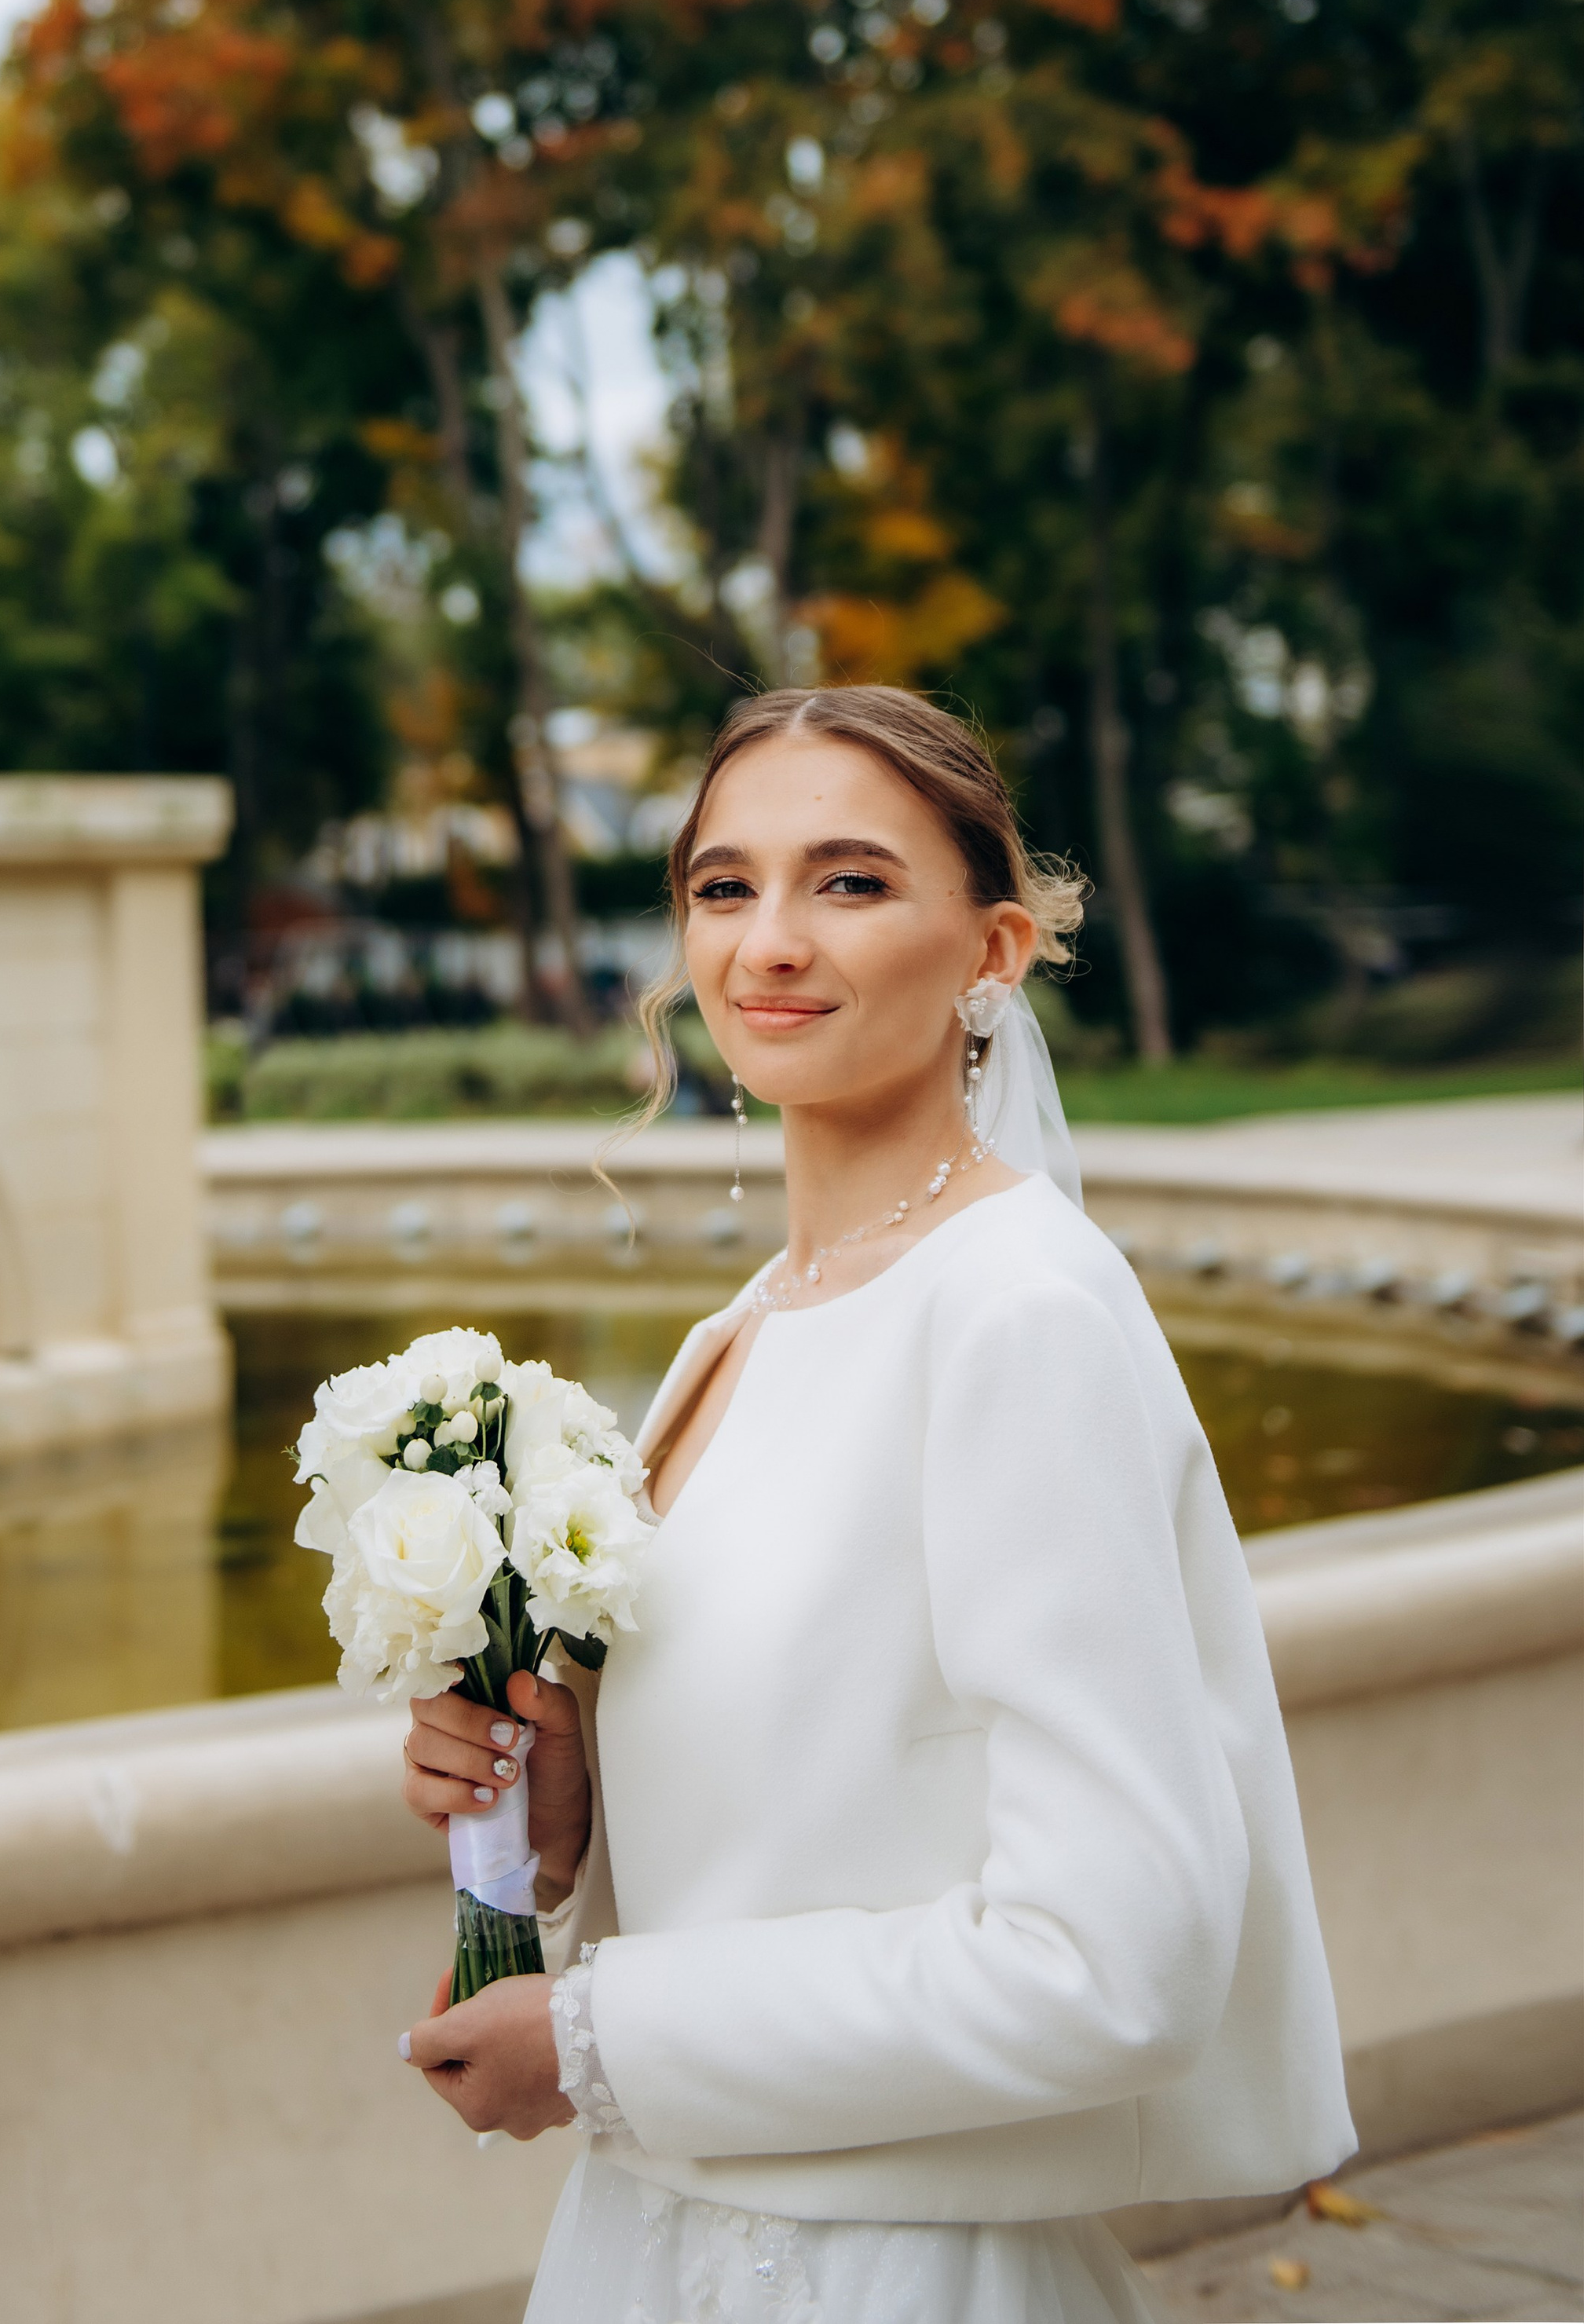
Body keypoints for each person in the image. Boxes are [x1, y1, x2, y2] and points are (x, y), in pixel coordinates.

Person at [400, 685, 1354, 2321]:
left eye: (847, 882)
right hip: (657, 2243)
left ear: (991, 948)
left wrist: (593, 2036)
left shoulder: (1013, 1311)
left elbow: (1110, 1960)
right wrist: (566, 1818)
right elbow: (822, 1795)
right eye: (722, 885)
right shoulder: (748, 1321)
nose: (768, 940)